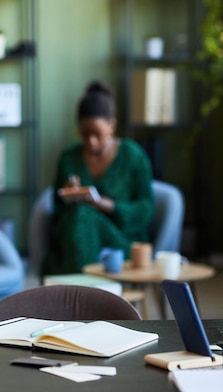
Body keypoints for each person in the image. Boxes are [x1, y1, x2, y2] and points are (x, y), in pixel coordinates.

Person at [43, 80, 154, 275]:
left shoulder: (133, 156)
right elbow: (56, 211)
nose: (91, 141)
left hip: (120, 238)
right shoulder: (69, 158)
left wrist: (107, 205)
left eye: (97, 134)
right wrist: (68, 195)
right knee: (78, 217)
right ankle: (85, 293)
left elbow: (146, 208)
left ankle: (77, 291)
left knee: (83, 217)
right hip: (72, 237)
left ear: (112, 126)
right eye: (85, 134)